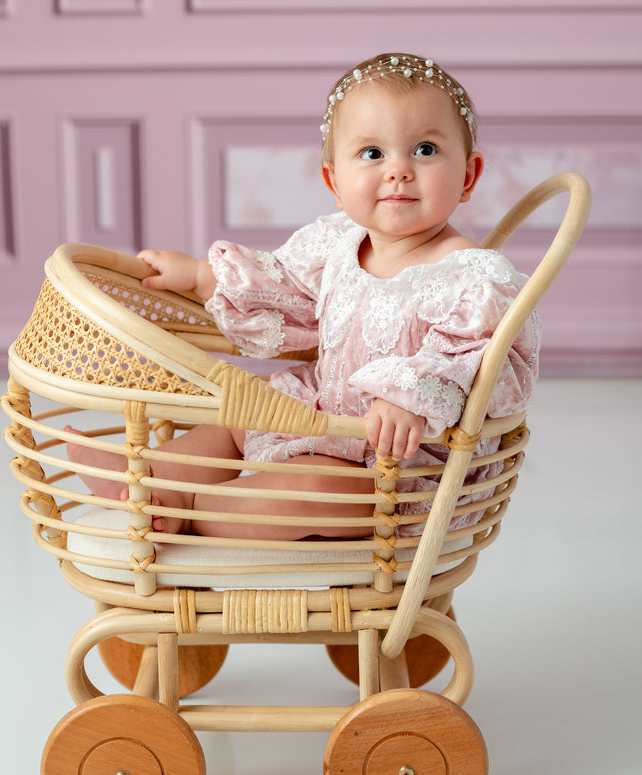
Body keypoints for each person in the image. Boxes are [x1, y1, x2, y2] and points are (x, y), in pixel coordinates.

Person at [67, 52, 540, 541]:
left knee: (315, 486)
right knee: (235, 422)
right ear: (334, 181)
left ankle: (192, 510)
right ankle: (146, 477)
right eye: (373, 154)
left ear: (468, 175)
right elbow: (283, 287)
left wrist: (411, 398)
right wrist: (204, 276)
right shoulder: (337, 246)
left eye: (424, 149)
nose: (398, 170)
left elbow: (475, 359)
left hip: (398, 471)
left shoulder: (474, 276)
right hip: (324, 415)